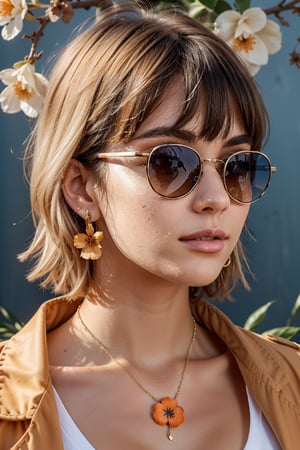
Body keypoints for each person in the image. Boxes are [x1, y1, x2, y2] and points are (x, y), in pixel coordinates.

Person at [0, 1, 299, 449]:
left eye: (238, 166)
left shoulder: (290, 384)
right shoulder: (10, 405)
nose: (216, 198)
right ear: (82, 186)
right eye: (171, 161)